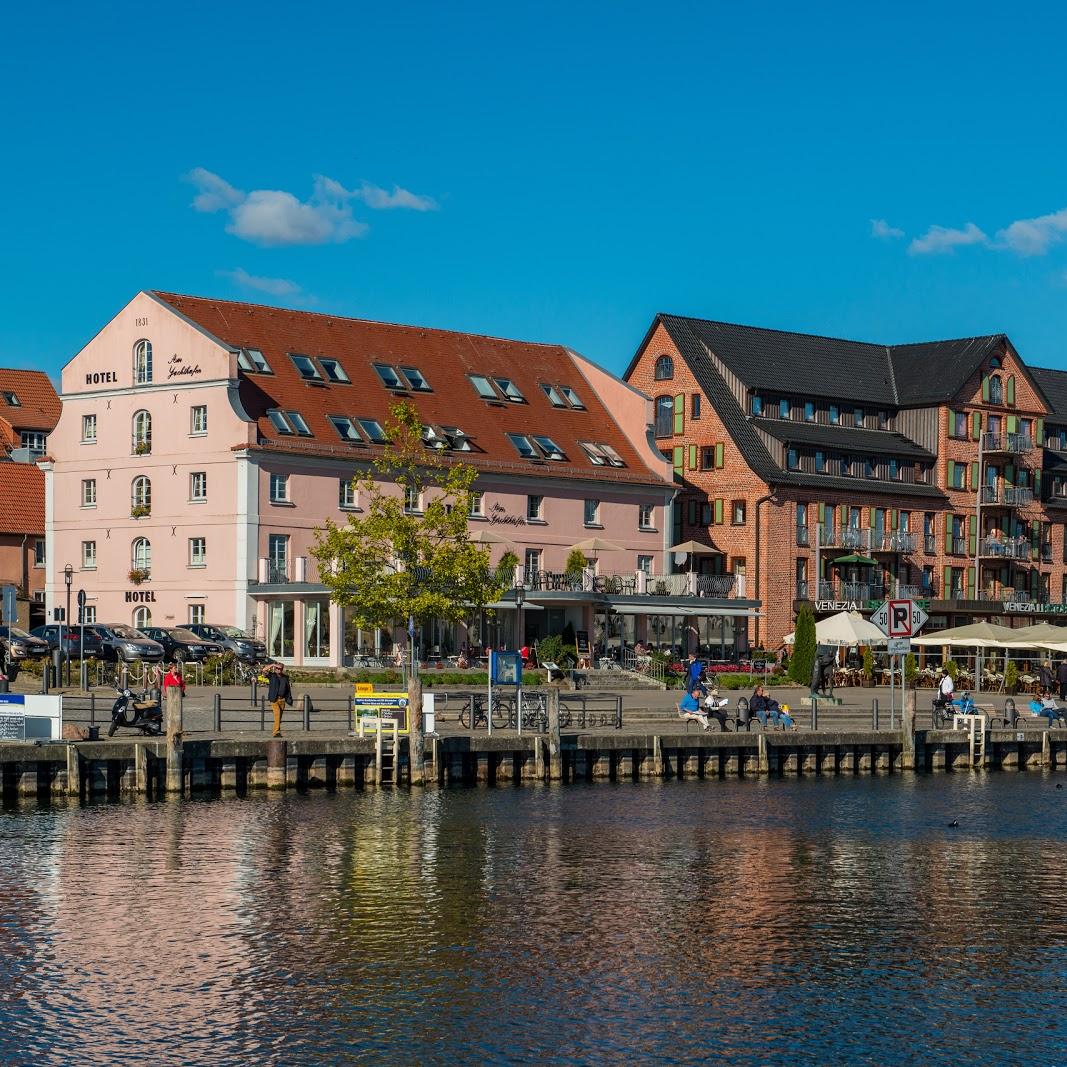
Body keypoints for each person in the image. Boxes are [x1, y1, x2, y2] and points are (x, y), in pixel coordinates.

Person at [267, 662, 293, 738]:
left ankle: (277, 731)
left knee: (278, 718)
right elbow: (263, 670)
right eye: (277, 668)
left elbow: (288, 688)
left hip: (282, 700)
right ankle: (276, 732)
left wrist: (289, 698)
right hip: (274, 699)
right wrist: (272, 665)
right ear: (275, 669)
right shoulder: (272, 676)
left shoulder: (285, 677)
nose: (279, 670)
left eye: (281, 668)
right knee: (277, 715)